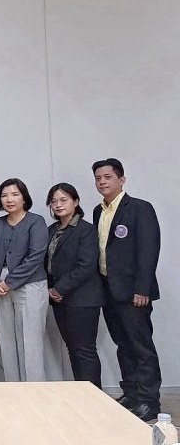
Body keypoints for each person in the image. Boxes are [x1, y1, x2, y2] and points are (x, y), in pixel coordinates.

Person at [92, 158, 162, 421]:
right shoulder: (98, 211)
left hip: (134, 292)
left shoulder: (140, 208)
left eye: (107, 177)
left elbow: (148, 250)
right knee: (122, 344)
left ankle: (149, 401)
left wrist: (142, 289)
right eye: (98, 178)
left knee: (141, 346)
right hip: (109, 291)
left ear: (121, 180)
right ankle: (131, 393)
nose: (102, 182)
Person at [0, 178, 49, 382]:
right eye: (4, 195)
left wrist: (9, 282)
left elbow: (36, 257)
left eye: (15, 194)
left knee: (30, 342)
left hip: (30, 284)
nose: (9, 199)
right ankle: (12, 389)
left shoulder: (36, 221)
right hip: (0, 285)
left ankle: (34, 391)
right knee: (6, 339)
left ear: (24, 197)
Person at [44, 182, 103, 388]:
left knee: (84, 350)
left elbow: (86, 266)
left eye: (63, 200)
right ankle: (82, 392)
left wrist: (60, 288)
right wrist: (52, 290)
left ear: (75, 202)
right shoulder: (51, 230)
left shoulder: (86, 230)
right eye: (54, 202)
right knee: (72, 348)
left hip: (82, 299)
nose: (58, 205)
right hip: (59, 300)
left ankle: (94, 396)